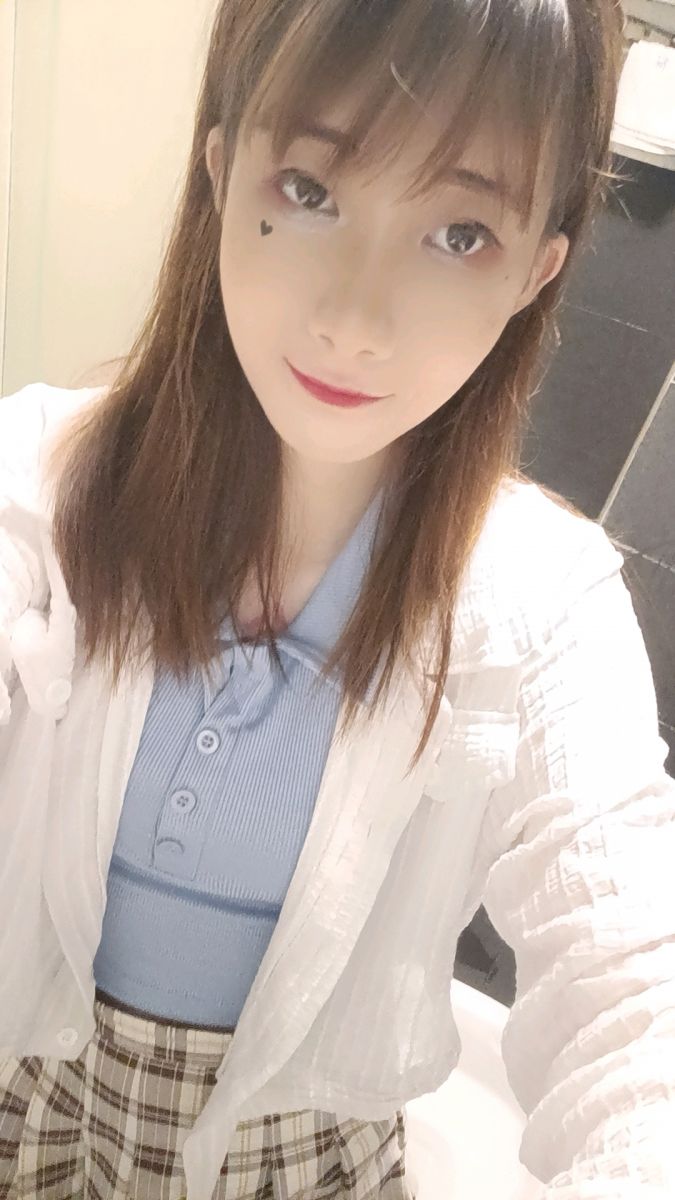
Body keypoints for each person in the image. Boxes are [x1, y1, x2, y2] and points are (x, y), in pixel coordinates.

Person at [1, 0, 673, 1197]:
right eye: (310, 190)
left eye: (460, 232)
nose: (354, 322)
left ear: (538, 272)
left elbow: (638, 997)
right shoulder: (39, 491)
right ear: (222, 172)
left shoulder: (544, 609)